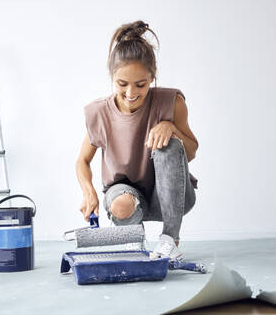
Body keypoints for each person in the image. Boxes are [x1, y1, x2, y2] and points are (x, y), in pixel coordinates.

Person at [75, 20, 199, 260]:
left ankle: (170, 240)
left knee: (170, 144)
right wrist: (88, 192)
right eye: (122, 84)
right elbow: (82, 160)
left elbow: (191, 152)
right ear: (112, 77)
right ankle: (134, 239)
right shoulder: (99, 113)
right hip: (126, 195)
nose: (131, 94)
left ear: (152, 78)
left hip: (171, 196)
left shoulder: (171, 102)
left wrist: (171, 127)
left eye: (140, 85)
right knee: (121, 203)